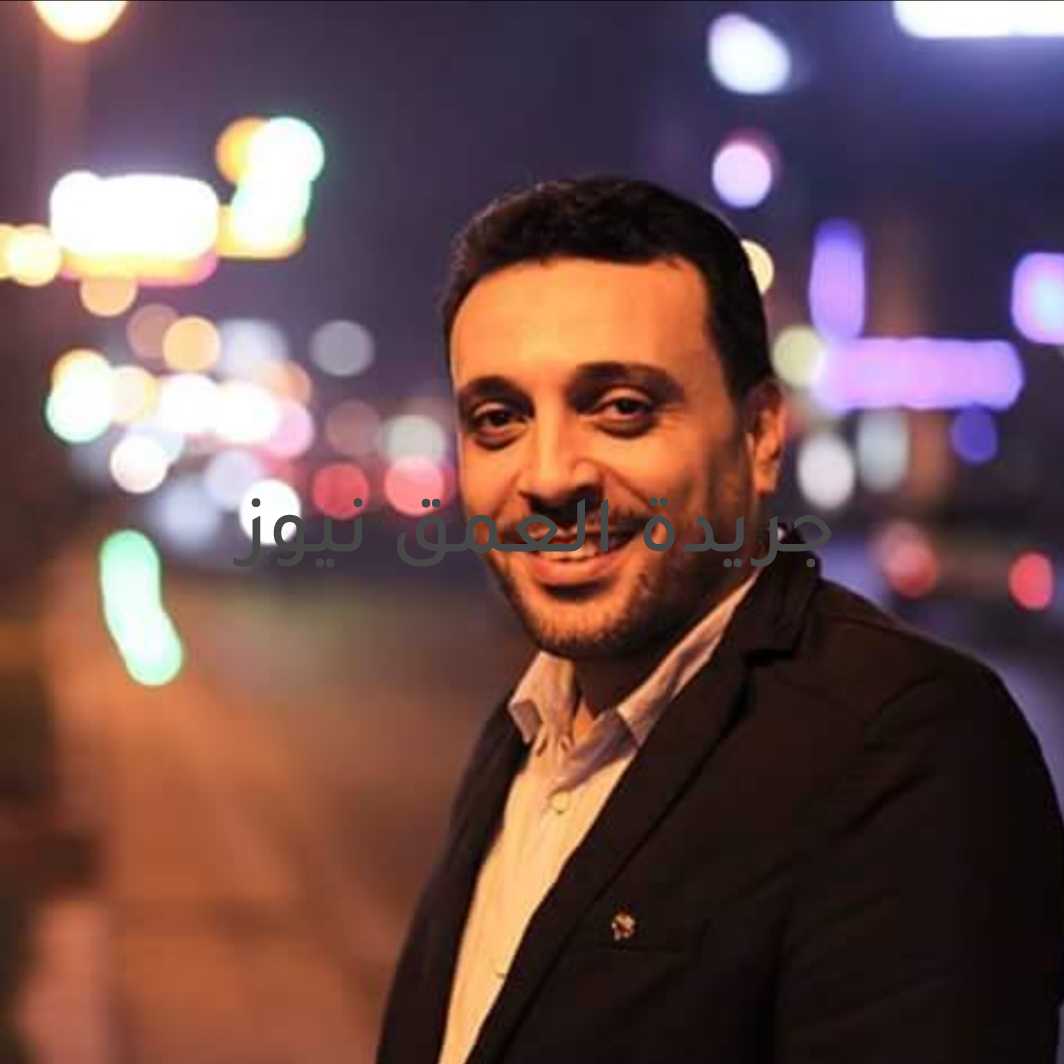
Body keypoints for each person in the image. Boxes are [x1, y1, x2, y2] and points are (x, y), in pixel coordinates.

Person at [376, 176, 1064, 1063]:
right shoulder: (521, 734)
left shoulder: (908, 747)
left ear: (761, 434)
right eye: (499, 419)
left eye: (621, 408)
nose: (548, 476)